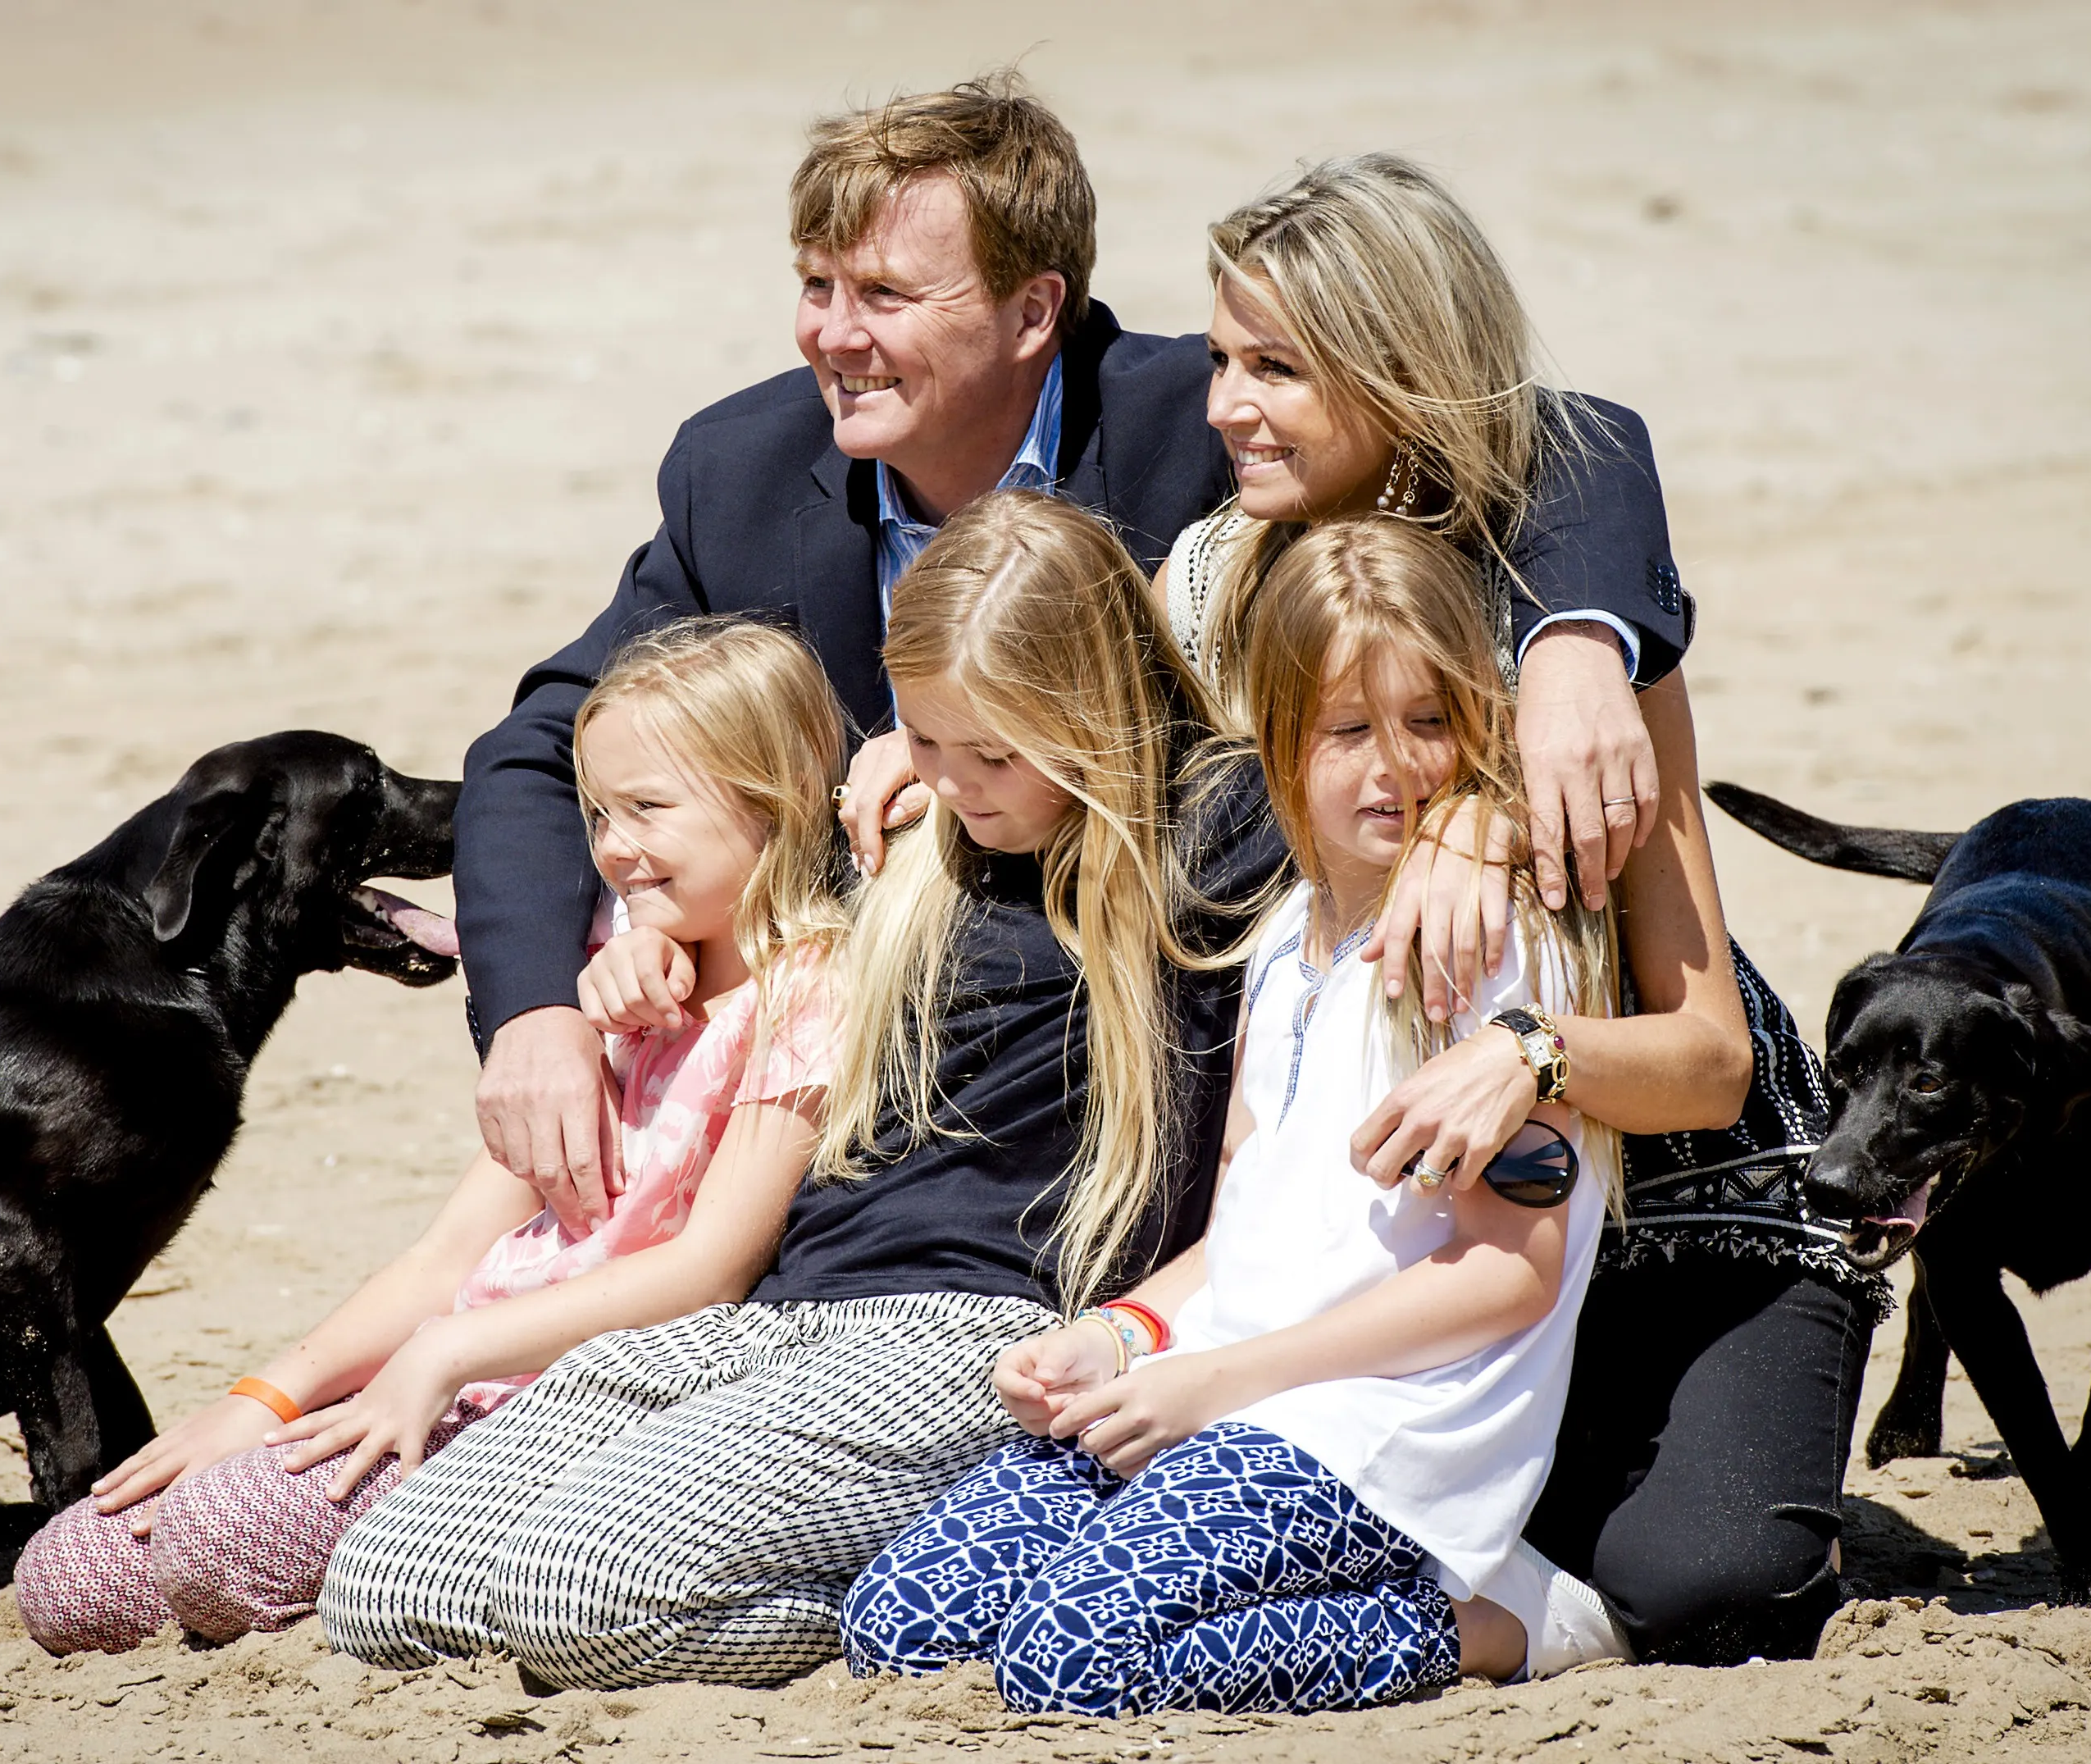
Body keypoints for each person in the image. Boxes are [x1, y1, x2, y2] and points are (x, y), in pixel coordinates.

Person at [452, 73, 1692, 1251]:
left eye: (883, 292)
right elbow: (545, 742)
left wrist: (1579, 645)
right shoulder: (740, 472)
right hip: (854, 1068)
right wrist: (535, 1011)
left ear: (1034, 310)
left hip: (1176, 1077)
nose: (833, 334)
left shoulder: (1203, 420)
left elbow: (1544, 435)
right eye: (815, 285)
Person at [314, 491, 1282, 1689]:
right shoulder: (917, 834)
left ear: (1094, 711)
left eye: (994, 752)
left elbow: (1377, 810)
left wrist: (1461, 844)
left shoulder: (1212, 825)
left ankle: (891, 1605)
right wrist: (641, 944)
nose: (957, 782)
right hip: (788, 1300)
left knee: (585, 1595)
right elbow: (751, 887)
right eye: (927, 740)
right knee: (385, 1583)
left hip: (980, 1318)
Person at [1159, 153, 1888, 1665]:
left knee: (1703, 1582)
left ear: (1397, 372)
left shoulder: (1568, 631)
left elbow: (1709, 1058)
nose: (1224, 404)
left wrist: (1531, 1038)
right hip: (1429, 1238)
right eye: (1224, 358)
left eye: (1276, 369)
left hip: (1683, 1203)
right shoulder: (1224, 578)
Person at [844, 515, 1642, 1715]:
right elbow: (1244, 1232)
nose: (1393, 768)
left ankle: (1494, 1621)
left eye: (1429, 721)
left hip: (1374, 1425)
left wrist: (1221, 1383)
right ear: (1276, 738)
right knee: (904, 1619)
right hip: (1222, 1382)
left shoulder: (1486, 947)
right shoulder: (1276, 944)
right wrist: (1120, 1334)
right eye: (1347, 731)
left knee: (1070, 1659)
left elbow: (1508, 1275)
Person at [8, 618, 849, 1654]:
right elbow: (451, 1253)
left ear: (778, 798)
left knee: (217, 1543)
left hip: (570, 1392)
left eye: (648, 808)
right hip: (453, 1368)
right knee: (69, 1578)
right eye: (597, 812)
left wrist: (445, 1355)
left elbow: (708, 1269)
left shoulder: (808, 993)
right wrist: (262, 1399)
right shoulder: (608, 973)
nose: (612, 848)